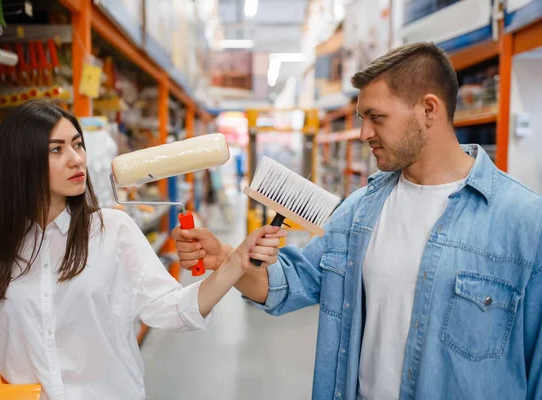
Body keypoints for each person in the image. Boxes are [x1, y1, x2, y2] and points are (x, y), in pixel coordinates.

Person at [172, 42, 542, 400]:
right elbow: (290, 284)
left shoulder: (524, 223)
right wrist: (224, 256)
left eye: (376, 117)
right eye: (362, 118)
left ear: (429, 110)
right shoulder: (359, 210)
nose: (365, 133)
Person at [0, 100, 287, 399]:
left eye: (77, 144)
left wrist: (235, 261)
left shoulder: (111, 231)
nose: (77, 159)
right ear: (22, 161)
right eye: (57, 149)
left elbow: (172, 308)